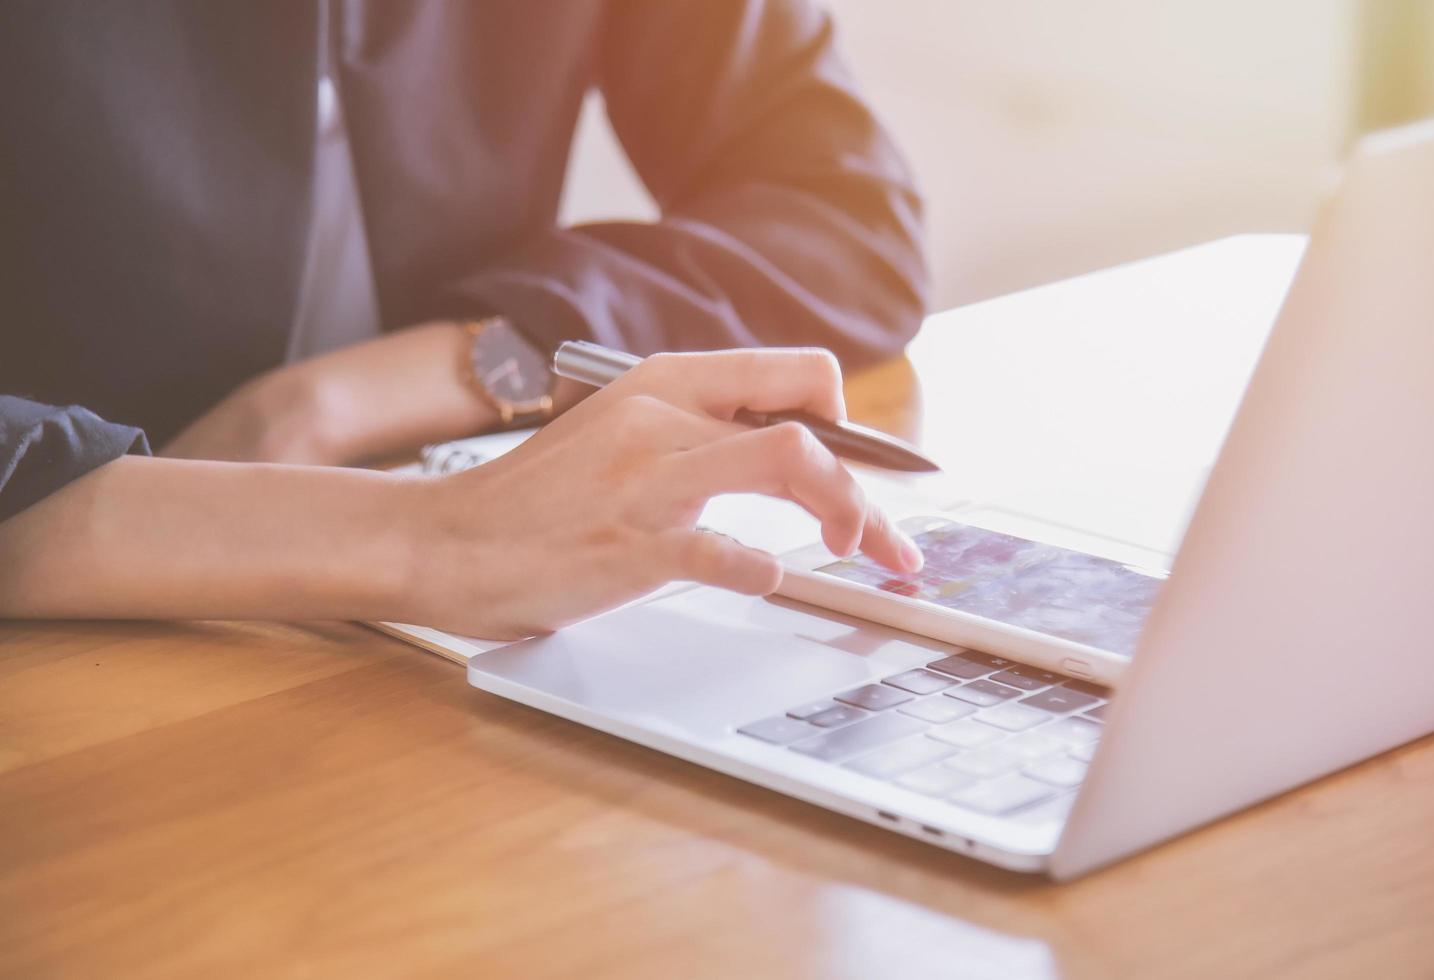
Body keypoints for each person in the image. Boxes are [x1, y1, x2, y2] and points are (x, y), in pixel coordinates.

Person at [0, 1, 927, 634]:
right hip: (68, 643)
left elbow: (845, 219)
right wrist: (429, 538)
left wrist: (405, 380)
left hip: (403, 623)